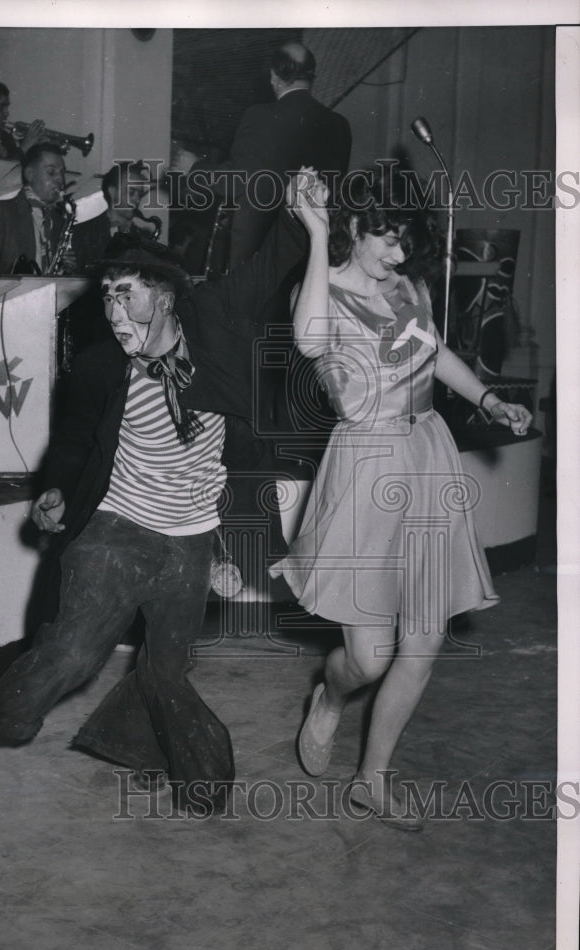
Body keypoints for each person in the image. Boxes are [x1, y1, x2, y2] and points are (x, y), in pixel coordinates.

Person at [0, 169, 321, 832]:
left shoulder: (212, 324)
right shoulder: (102, 364)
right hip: (117, 528)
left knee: (165, 672)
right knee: (69, 651)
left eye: (127, 299)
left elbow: (272, 261)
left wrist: (302, 210)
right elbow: (72, 438)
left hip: (189, 538)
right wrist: (58, 491)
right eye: (107, 302)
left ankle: (147, 749)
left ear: (168, 297)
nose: (115, 315)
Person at [269, 166, 532, 830]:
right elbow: (306, 341)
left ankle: (372, 779)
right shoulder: (319, 291)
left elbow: (434, 352)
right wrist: (315, 229)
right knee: (368, 657)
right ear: (354, 229)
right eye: (385, 240)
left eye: (405, 242)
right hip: (366, 467)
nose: (396, 255)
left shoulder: (408, 287)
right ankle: (329, 698)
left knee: (422, 643)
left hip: (425, 456)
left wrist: (488, 397)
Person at [174, 41, 352, 271]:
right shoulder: (339, 126)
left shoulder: (260, 116)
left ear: (273, 76)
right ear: (311, 77)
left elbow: (239, 181)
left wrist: (194, 168)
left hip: (262, 259)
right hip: (314, 259)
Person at [0, 142, 70, 274]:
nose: (60, 180)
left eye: (62, 173)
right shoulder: (0, 212)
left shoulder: (58, 220)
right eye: (51, 172)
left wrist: (67, 268)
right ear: (29, 174)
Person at [71, 160, 158, 270]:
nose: (137, 199)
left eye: (139, 194)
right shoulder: (83, 232)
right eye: (131, 192)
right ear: (112, 192)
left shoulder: (140, 237)